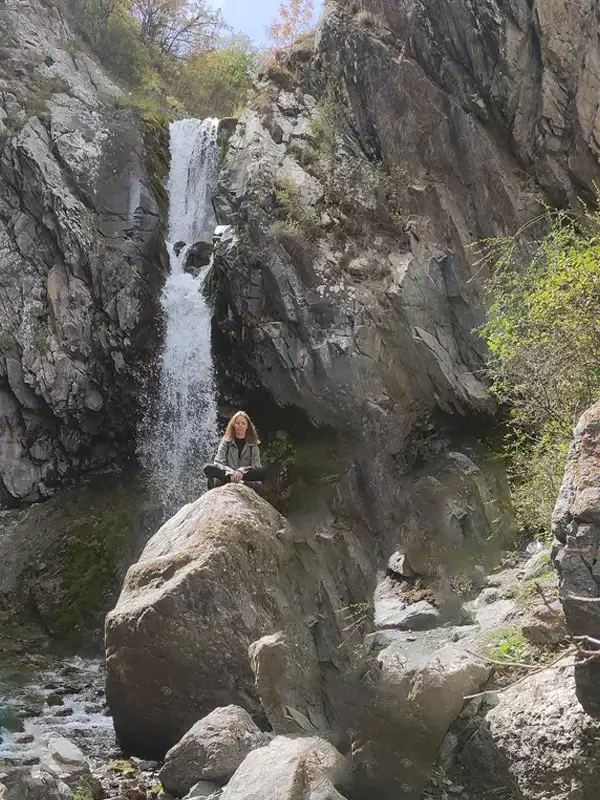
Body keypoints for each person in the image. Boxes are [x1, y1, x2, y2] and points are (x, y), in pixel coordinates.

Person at [204, 411, 267, 488]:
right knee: (207, 468)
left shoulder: (253, 444)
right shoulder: (226, 442)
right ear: (233, 425)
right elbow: (218, 462)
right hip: (227, 475)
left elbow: (256, 466)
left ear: (247, 426)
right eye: (237, 423)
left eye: (243, 423)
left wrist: (241, 471)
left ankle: (238, 480)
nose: (240, 425)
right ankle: (232, 479)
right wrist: (231, 473)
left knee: (263, 472)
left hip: (245, 477)